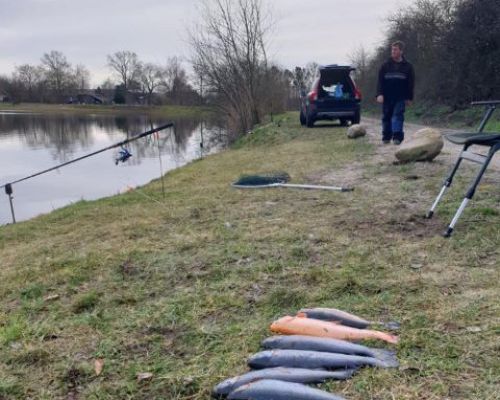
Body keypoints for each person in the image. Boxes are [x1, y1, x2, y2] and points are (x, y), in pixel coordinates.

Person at [376, 41, 415, 145]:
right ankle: (386, 137)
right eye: (392, 49)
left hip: (400, 97)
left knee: (398, 116)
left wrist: (409, 98)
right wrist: (379, 94)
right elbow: (380, 81)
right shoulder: (385, 66)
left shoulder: (408, 66)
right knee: (386, 116)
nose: (393, 51)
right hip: (387, 96)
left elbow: (410, 83)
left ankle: (397, 137)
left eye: (395, 49)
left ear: (401, 51)